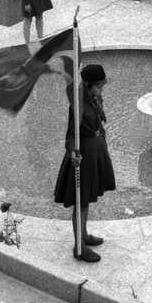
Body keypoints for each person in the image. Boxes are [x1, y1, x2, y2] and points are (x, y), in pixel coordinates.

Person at [51, 62, 115, 263]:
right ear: (88, 85)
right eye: (98, 85)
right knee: (81, 202)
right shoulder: (77, 105)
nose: (101, 89)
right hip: (84, 155)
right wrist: (73, 154)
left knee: (87, 198)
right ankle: (79, 247)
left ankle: (84, 235)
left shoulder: (94, 97)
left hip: (95, 149)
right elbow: (71, 135)